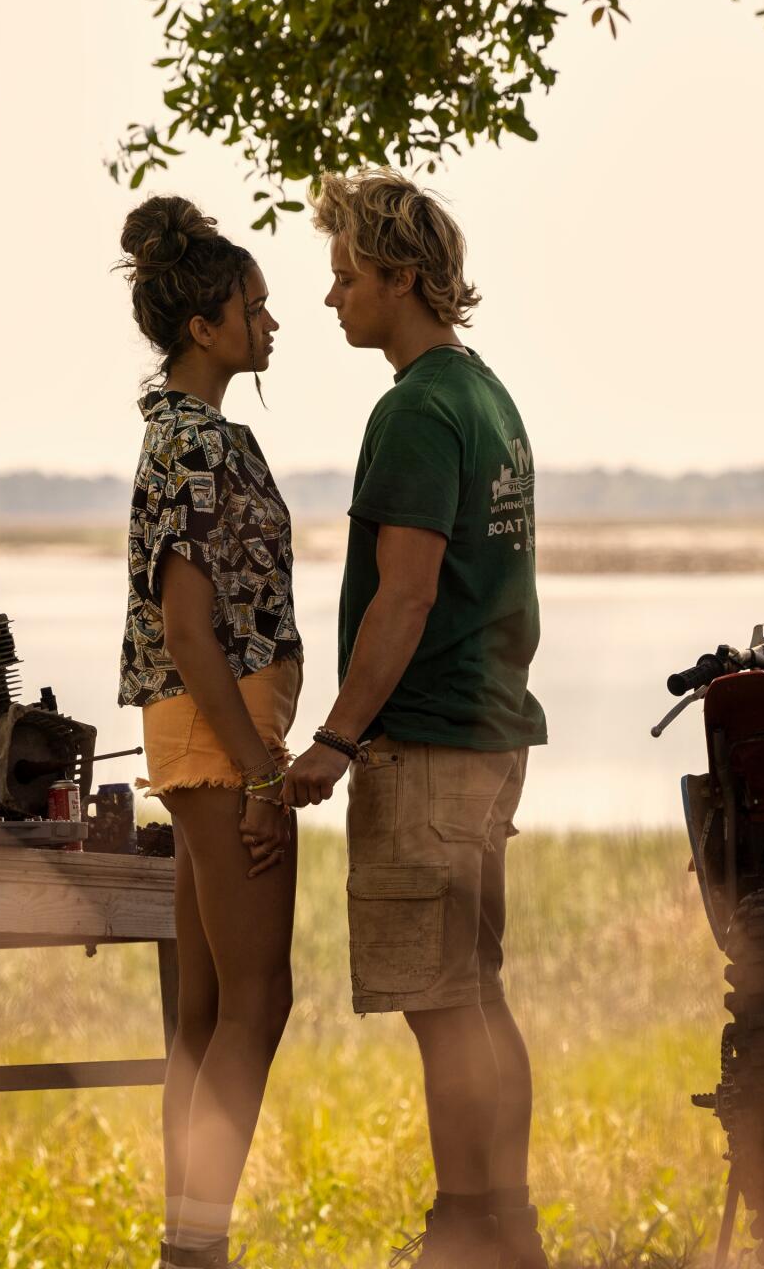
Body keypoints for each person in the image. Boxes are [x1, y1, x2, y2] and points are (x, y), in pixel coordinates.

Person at [284, 168, 548, 1269]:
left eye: (346, 274)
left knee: (440, 1004)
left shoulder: (416, 410)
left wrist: (334, 741)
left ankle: (466, 1230)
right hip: (487, 732)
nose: (330, 295)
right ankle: (505, 1225)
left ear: (401, 277)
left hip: (429, 742)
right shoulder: (486, 394)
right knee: (474, 996)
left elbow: (406, 591)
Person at [115, 195, 302, 1269]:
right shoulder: (191, 445)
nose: (269, 325)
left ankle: (185, 1238)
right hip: (219, 738)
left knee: (204, 1007)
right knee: (259, 995)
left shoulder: (194, 435)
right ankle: (199, 1245)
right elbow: (190, 629)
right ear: (205, 326)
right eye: (254, 308)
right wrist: (264, 769)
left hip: (206, 736)